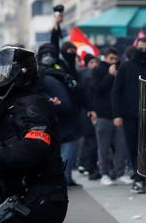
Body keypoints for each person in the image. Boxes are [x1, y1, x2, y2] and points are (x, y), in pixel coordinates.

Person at [0, 46, 68, 222]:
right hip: (21, 195)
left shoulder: (32, 104)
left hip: (41, 196)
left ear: (18, 74)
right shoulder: (6, 105)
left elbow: (36, 145)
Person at [111, 37, 146, 193]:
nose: (143, 51)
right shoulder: (126, 67)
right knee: (133, 147)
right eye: (141, 48)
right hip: (130, 115)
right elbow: (117, 91)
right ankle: (138, 177)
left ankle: (145, 176)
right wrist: (117, 114)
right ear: (136, 48)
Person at [37, 43, 83, 187]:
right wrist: (49, 100)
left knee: (68, 147)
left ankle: (65, 177)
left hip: (67, 115)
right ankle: (61, 178)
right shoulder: (39, 73)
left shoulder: (63, 68)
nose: (48, 57)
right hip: (52, 117)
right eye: (45, 54)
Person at [90, 48, 129, 185]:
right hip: (103, 115)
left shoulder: (121, 71)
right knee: (103, 147)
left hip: (118, 115)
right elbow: (98, 89)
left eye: (116, 59)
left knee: (121, 147)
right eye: (111, 58)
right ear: (105, 58)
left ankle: (120, 172)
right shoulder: (98, 70)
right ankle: (104, 173)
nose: (114, 61)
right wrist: (110, 76)